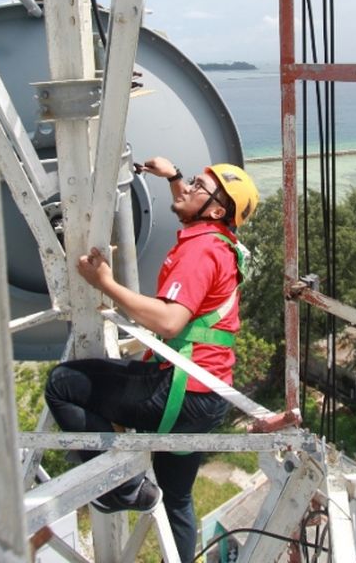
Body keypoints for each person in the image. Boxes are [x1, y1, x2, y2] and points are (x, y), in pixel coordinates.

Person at [44, 156, 259, 563]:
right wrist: (174, 177)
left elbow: (170, 320)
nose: (191, 187)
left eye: (199, 185)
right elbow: (196, 204)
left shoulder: (201, 250)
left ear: (215, 210)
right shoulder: (221, 242)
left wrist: (104, 283)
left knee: (63, 385)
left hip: (178, 391)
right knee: (176, 497)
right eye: (193, 181)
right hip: (207, 397)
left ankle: (119, 489)